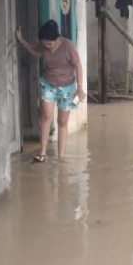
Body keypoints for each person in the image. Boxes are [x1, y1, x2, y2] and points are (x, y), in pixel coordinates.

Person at [17, 20, 85, 162]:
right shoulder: (43, 46)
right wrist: (22, 40)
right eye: (44, 44)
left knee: (62, 121)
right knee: (46, 117)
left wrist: (79, 88)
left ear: (57, 38)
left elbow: (78, 66)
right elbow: (36, 53)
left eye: (50, 44)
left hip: (67, 88)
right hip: (48, 85)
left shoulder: (68, 46)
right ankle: (42, 153)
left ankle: (61, 156)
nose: (47, 47)